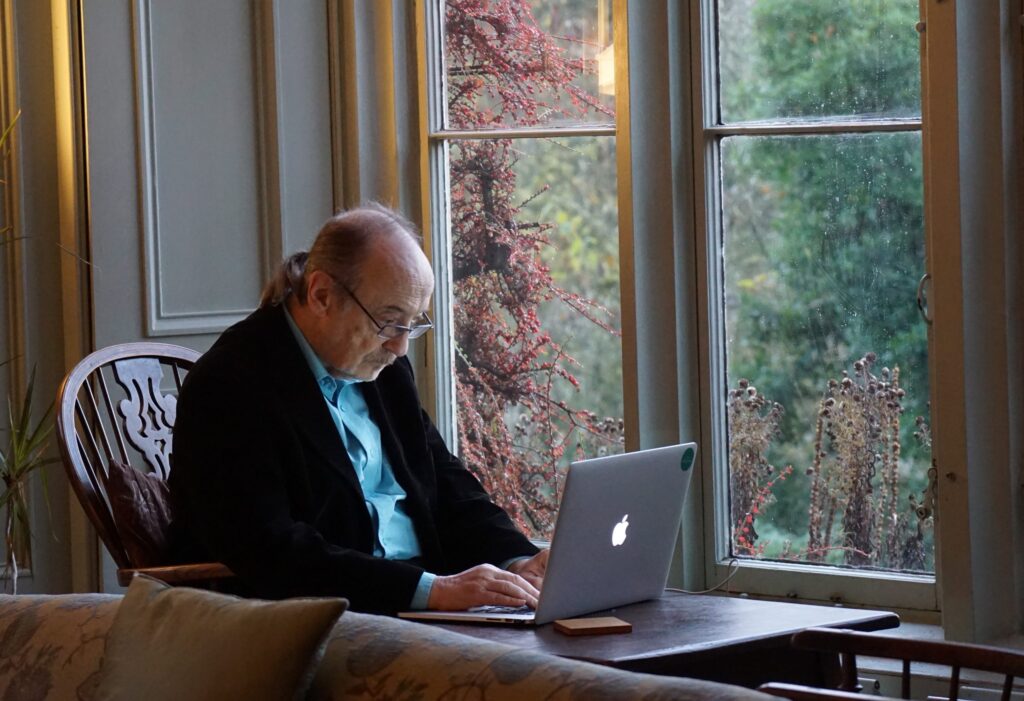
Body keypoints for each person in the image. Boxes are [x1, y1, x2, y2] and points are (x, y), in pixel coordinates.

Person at [169, 204, 548, 615]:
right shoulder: (229, 386)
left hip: (426, 604)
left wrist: (519, 559)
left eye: (412, 324)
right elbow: (272, 550)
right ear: (321, 295)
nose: (401, 347)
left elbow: (442, 480)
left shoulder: (383, 366)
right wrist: (432, 591)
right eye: (388, 322)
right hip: (325, 620)